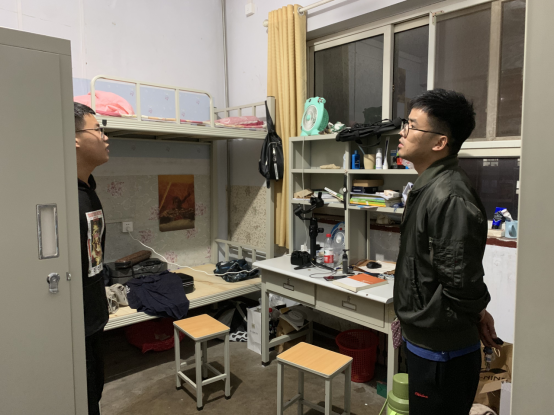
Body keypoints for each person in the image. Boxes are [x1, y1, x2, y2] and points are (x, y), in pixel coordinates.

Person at [395, 89, 501, 415]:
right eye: (405, 123)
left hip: (442, 352)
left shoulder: (449, 196)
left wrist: (479, 313)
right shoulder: (428, 186)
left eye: (412, 126)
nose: (402, 132)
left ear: (440, 142)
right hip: (428, 341)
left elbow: (460, 281)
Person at [75, 102, 110, 415]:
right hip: (76, 324)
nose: (105, 136)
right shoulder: (64, 196)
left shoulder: (88, 188)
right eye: (98, 129)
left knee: (94, 391)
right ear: (74, 138)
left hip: (94, 316)